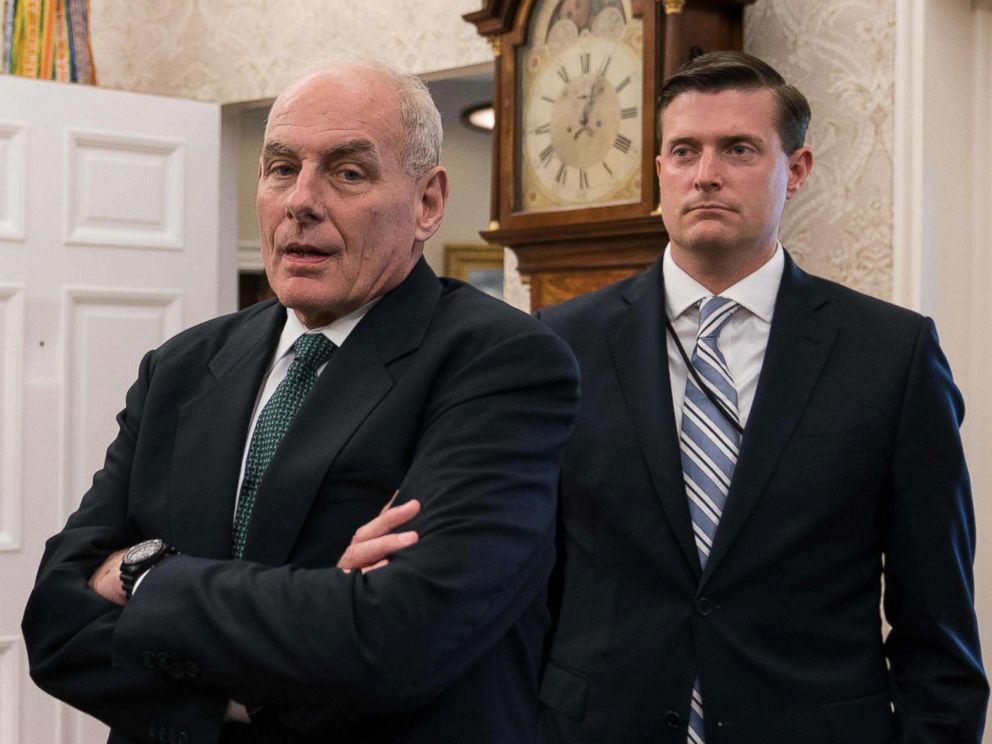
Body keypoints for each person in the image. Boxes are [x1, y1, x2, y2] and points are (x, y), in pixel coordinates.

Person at [22, 58, 579, 744]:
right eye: (282, 167)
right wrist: (247, 689)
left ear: (428, 203)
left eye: (347, 172)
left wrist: (146, 577)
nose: (300, 201)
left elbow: (396, 637)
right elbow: (53, 620)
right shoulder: (184, 366)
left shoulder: (501, 363)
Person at [534, 51, 988, 743]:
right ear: (659, 172)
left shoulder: (891, 355)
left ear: (796, 170)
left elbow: (939, 629)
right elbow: (525, 589)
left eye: (739, 149)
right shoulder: (559, 345)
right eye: (684, 150)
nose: (706, 173)